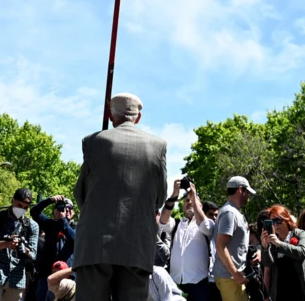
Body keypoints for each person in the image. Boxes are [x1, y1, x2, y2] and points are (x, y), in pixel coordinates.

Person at [72, 93, 168, 301]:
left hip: (95, 245)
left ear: (110, 115)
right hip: (137, 246)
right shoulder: (157, 146)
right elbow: (159, 198)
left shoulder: (93, 142)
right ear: (138, 117)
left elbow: (81, 194)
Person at [159, 181, 215, 301]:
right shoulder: (176, 224)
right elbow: (163, 220)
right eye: (186, 201)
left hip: (199, 284)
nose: (189, 202)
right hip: (176, 283)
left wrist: (193, 197)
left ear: (200, 205)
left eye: (193, 201)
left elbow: (206, 226)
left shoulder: (207, 223)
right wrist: (174, 195)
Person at [0, 188, 40, 301]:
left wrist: (24, 249)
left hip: (17, 277)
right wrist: (5, 244)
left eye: (25, 207)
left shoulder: (32, 226)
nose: (21, 209)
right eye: (19, 205)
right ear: (12, 201)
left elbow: (33, 254)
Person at [258, 205, 305, 301]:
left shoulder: (300, 234)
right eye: (272, 222)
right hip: (281, 293)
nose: (275, 225)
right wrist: (264, 247)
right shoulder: (273, 240)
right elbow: (267, 265)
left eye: (278, 220)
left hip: (302, 290)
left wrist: (279, 244)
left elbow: (301, 252)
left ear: (287, 220)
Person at [210, 176, 257, 301]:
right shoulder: (230, 213)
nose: (248, 196)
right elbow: (220, 246)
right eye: (247, 192)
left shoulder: (233, 212)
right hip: (230, 278)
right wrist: (235, 273)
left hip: (232, 277)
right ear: (240, 190)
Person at [32, 194, 77, 299]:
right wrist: (50, 200)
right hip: (47, 275)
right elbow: (34, 212)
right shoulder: (50, 225)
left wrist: (63, 221)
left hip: (67, 277)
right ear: (55, 211)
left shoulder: (78, 228)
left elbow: (75, 240)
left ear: (74, 212)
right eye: (62, 208)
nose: (66, 210)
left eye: (69, 208)